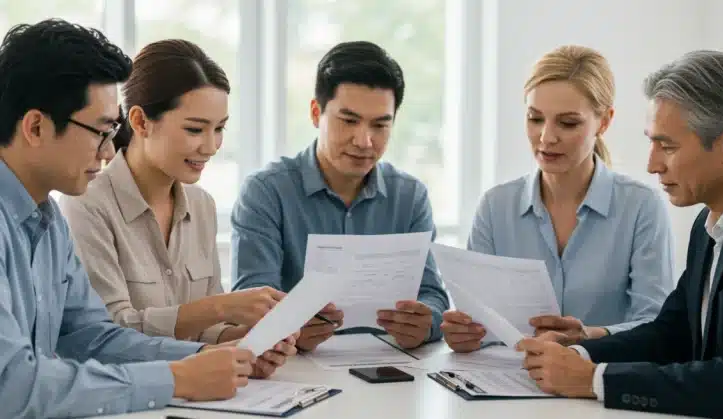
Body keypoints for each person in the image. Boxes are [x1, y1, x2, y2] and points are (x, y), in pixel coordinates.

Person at [0, 19, 296, 418]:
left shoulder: (47, 221)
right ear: (36, 126)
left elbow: (91, 338)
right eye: (101, 133)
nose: (108, 152)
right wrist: (176, 379)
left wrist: (206, 358)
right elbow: (12, 386)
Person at [516, 50, 723, 418]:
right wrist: (581, 351)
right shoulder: (711, 220)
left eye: (667, 146)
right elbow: (672, 333)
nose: (652, 164)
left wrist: (594, 380)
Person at [441, 45, 674, 352]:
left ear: (604, 122)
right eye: (535, 118)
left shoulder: (642, 207)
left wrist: (588, 336)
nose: (546, 138)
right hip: (507, 384)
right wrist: (464, 334)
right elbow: (480, 321)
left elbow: (656, 326)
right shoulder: (495, 207)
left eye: (567, 123)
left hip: (599, 386)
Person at [59, 39, 283, 345]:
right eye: (195, 129)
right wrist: (219, 307)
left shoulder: (201, 205)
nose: (211, 146)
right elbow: (108, 332)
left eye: (219, 129)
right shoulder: (86, 204)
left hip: (204, 389)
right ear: (140, 121)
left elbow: (205, 332)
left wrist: (252, 340)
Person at [230, 40, 450, 351]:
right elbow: (250, 300)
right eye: (349, 121)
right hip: (294, 371)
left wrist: (426, 323)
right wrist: (286, 327)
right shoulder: (266, 192)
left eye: (380, 125)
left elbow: (432, 293)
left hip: (389, 365)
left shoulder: (410, 196)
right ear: (315, 112)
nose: (364, 141)